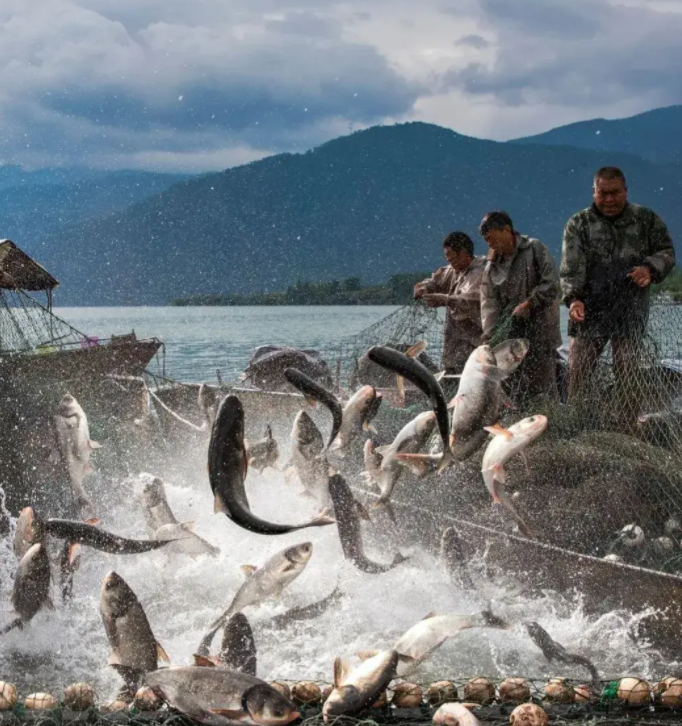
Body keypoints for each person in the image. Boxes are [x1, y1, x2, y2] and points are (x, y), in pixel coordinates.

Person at [560, 166, 676, 430]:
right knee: (577, 367)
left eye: (615, 193)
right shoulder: (578, 223)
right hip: (589, 308)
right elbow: (570, 268)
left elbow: (667, 252)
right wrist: (573, 299)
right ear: (594, 192)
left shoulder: (646, 219)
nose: (609, 199)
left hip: (630, 308)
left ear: (625, 191)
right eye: (603, 193)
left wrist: (650, 268)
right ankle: (579, 423)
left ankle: (627, 426)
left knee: (628, 368)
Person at [479, 210, 561, 403]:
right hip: (509, 340)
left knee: (542, 390)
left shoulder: (534, 248)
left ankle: (548, 425)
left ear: (507, 230)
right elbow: (489, 305)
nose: (489, 244)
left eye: (491, 238)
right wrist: (489, 339)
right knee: (509, 389)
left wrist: (529, 303)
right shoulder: (491, 266)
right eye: (486, 240)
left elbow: (552, 284)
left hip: (541, 335)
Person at [413, 231, 485, 374]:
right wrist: (423, 288)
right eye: (447, 258)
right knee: (451, 371)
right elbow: (434, 281)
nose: (449, 262)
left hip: (477, 340)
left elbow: (470, 300)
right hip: (454, 341)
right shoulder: (452, 270)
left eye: (452, 258)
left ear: (464, 253)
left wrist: (445, 299)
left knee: (473, 374)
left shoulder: (481, 271)